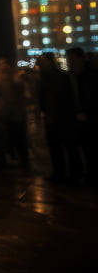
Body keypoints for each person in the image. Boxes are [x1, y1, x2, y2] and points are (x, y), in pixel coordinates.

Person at [37, 52, 81, 183]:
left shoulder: (59, 78)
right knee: (56, 147)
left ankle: (72, 174)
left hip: (63, 118)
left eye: (42, 61)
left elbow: (61, 99)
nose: (40, 64)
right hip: (55, 117)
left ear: (49, 62)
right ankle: (61, 173)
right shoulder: (49, 78)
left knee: (67, 147)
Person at [65, 48, 97, 188]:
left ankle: (92, 176)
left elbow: (91, 96)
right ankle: (82, 175)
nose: (69, 61)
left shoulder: (90, 74)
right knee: (80, 148)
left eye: (71, 58)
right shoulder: (73, 75)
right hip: (77, 118)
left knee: (90, 149)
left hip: (90, 118)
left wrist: (85, 111)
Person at [0, 56, 28, 169]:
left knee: (18, 139)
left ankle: (21, 161)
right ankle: (9, 160)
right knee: (5, 139)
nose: (2, 66)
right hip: (4, 115)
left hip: (14, 115)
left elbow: (20, 98)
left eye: (3, 64)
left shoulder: (16, 80)